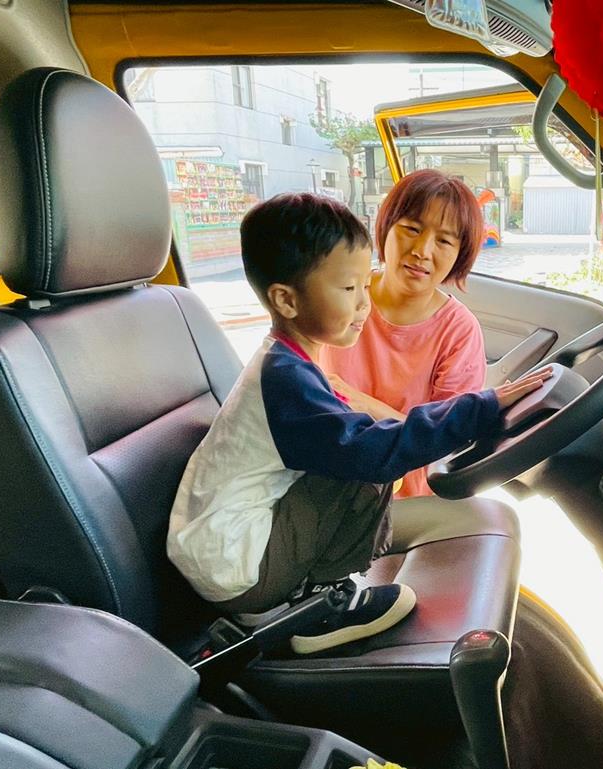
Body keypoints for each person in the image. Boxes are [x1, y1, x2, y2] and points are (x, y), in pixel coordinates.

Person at [166, 193, 550, 655]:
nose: (365, 305)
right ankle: (319, 610)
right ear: (287, 300)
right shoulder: (287, 379)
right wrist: (479, 409)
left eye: (365, 286)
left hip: (229, 552)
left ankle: (306, 592)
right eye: (350, 290)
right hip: (239, 567)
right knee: (369, 466)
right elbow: (369, 452)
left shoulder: (286, 360)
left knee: (367, 453)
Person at [318, 169, 487, 498]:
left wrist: (360, 403)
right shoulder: (341, 294)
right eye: (412, 229)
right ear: (387, 227)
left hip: (407, 498)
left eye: (444, 241)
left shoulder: (459, 331)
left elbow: (446, 442)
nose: (422, 250)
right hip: (328, 483)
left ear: (460, 253)